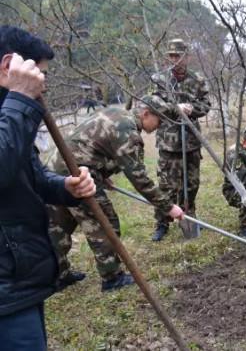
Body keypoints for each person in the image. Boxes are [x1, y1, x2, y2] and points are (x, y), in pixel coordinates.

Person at [0, 25, 96, 350]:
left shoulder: (9, 112)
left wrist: (67, 187)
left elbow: (28, 177)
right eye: (38, 74)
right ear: (10, 65)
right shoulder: (14, 108)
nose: (42, 84)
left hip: (19, 279)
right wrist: (20, 100)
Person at [48, 95, 185, 291]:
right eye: (159, 119)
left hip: (56, 170)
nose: (160, 125)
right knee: (104, 223)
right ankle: (112, 278)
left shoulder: (118, 114)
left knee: (59, 225)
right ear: (146, 114)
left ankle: (57, 275)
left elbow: (93, 145)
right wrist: (169, 207)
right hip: (78, 174)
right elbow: (139, 179)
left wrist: (101, 173)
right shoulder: (127, 132)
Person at [151, 38, 211, 241]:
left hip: (191, 141)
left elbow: (206, 104)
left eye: (179, 56)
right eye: (172, 56)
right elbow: (153, 102)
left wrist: (192, 109)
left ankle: (189, 218)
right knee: (166, 185)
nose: (175, 59)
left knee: (191, 184)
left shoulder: (197, 80)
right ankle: (162, 222)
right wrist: (175, 108)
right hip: (168, 141)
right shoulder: (160, 79)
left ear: (187, 57)